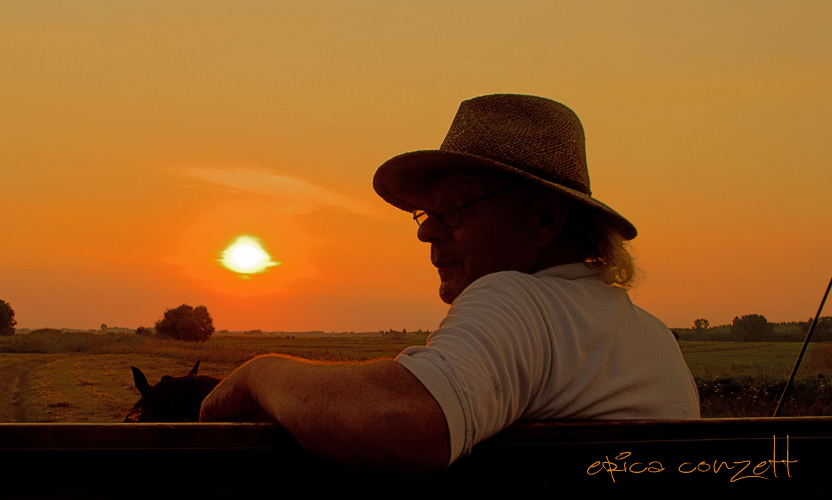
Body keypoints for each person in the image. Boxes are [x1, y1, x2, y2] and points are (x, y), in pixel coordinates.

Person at [199, 94, 700, 473]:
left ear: (544, 219)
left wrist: (258, 373)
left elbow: (399, 419)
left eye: (457, 208)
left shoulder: (518, 300)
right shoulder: (653, 339)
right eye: (428, 212)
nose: (426, 231)